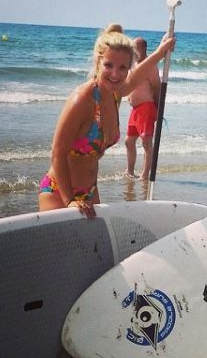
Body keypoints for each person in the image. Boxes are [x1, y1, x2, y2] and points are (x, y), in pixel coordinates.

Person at [38, 25, 175, 218]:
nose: (115, 74)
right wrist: (69, 201)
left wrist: (160, 53)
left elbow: (137, 77)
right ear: (98, 62)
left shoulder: (114, 94)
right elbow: (57, 153)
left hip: (90, 192)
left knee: (94, 248)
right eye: (109, 65)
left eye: (122, 67)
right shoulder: (83, 99)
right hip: (60, 193)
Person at [124, 37, 161, 180]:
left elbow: (157, 87)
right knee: (129, 141)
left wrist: (158, 108)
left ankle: (145, 175)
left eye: (136, 48)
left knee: (146, 141)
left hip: (147, 106)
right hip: (135, 109)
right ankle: (130, 171)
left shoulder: (149, 66)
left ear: (144, 49)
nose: (133, 50)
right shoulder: (133, 64)